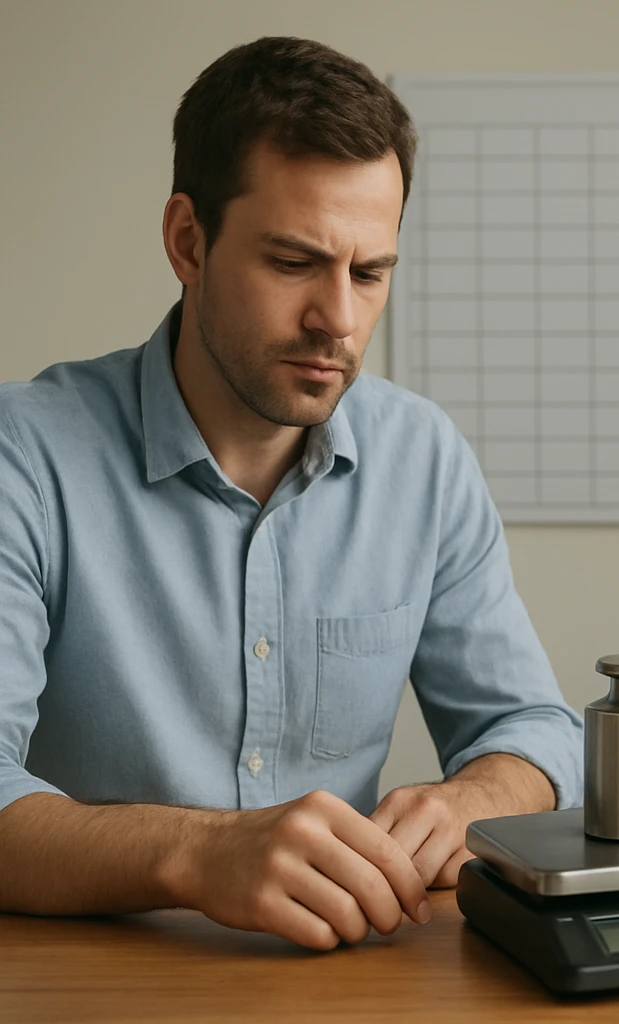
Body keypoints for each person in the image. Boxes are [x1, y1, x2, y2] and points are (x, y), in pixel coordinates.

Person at [0, 37, 583, 950]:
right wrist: (198, 853)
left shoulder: (421, 457)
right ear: (187, 242)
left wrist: (474, 796)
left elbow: (535, 727)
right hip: (91, 980)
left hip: (347, 977)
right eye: (293, 262)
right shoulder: (25, 455)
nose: (339, 321)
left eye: (369, 273)